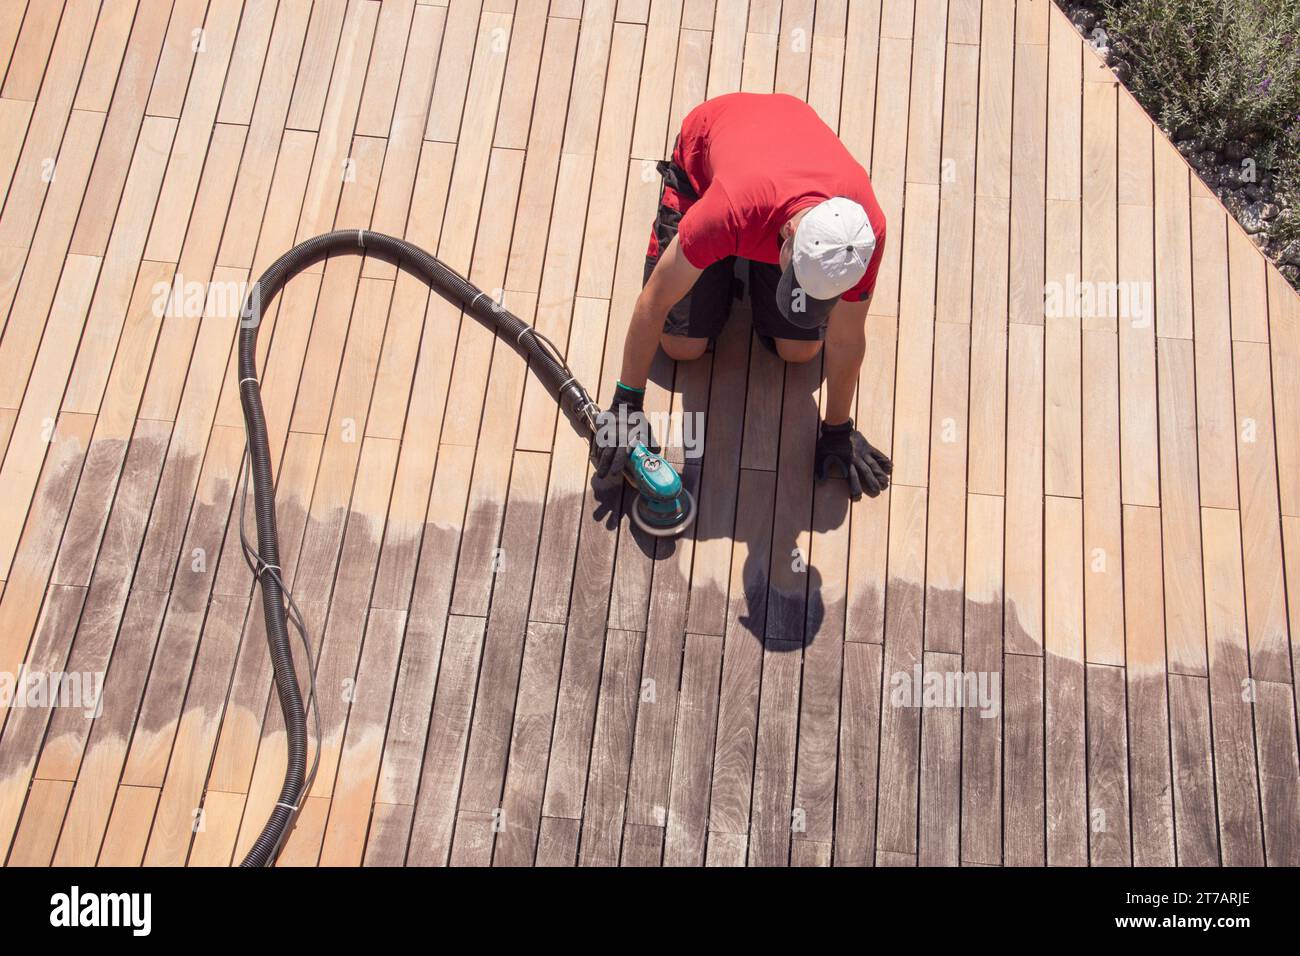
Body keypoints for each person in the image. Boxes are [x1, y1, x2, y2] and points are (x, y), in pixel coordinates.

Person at [593, 92, 893, 501]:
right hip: (708, 167)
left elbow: (847, 335)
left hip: (780, 167)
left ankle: (742, 263)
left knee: (799, 350)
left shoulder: (860, 236)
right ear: (788, 238)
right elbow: (655, 300)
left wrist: (839, 427)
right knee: (681, 345)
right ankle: (729, 255)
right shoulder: (727, 210)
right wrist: (626, 402)